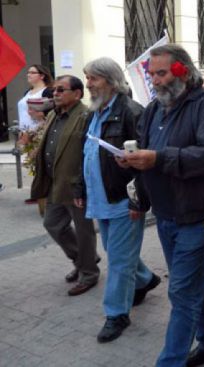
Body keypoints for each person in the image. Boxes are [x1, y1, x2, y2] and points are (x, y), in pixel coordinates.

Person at [119, 44, 204, 366]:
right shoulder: (155, 109)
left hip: (200, 214)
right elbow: (147, 153)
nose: (155, 81)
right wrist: (134, 169)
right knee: (194, 283)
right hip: (167, 212)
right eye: (151, 74)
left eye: (161, 73)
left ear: (183, 70)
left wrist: (158, 158)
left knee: (182, 291)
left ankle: (170, 361)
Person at [75, 57, 160, 343]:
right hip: (101, 199)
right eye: (87, 78)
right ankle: (146, 279)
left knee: (119, 262)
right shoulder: (93, 113)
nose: (88, 84)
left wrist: (139, 201)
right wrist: (80, 190)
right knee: (116, 252)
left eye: (93, 78)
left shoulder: (132, 112)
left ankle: (116, 315)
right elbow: (85, 155)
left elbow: (145, 162)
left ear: (111, 81)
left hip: (124, 202)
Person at [30, 75, 100, 296]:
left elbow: (90, 153)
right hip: (55, 183)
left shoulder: (86, 116)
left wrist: (82, 183)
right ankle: (82, 259)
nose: (55, 94)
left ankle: (89, 273)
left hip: (77, 185)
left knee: (83, 231)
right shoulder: (53, 114)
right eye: (54, 90)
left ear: (77, 93)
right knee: (53, 224)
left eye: (61, 90)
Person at [17, 64, 54, 204]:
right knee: (34, 163)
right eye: (28, 72)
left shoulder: (47, 91)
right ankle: (39, 192)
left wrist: (41, 114)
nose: (28, 75)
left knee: (41, 162)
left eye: (32, 72)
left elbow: (54, 110)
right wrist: (22, 131)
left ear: (42, 75)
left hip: (40, 131)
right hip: (27, 132)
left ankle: (42, 193)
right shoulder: (28, 92)